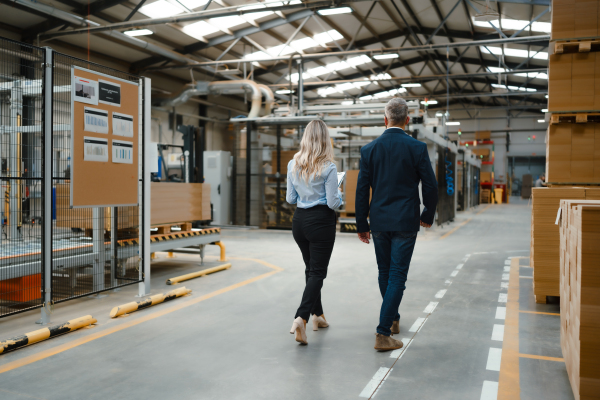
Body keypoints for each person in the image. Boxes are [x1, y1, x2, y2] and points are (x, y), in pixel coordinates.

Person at [355, 97, 438, 351]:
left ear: (385, 119)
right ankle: (382, 333)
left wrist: (361, 223)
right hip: (405, 220)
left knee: (385, 272)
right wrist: (427, 213)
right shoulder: (417, 148)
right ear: (407, 120)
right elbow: (431, 185)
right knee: (397, 275)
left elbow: (361, 190)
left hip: (379, 221)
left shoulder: (369, 150)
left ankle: (393, 319)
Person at [286, 119, 343, 345]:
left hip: (299, 222)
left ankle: (317, 316)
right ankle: (301, 317)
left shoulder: (293, 163)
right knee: (318, 272)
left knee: (311, 270)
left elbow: (291, 198)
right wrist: (337, 191)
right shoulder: (329, 167)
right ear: (325, 140)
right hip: (321, 221)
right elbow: (332, 203)